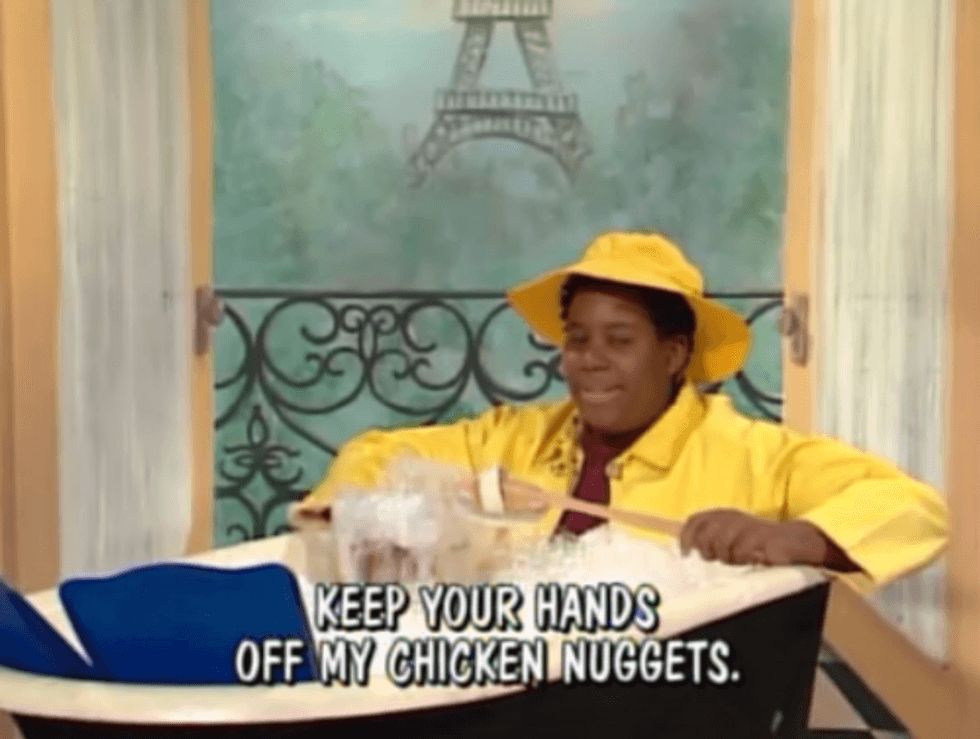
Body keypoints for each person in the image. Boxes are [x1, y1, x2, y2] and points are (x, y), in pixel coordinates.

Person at [292, 231, 948, 592]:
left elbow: (912, 506)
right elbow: (373, 452)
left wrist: (797, 537)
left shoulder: (751, 454)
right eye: (578, 338)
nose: (590, 360)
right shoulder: (515, 437)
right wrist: (367, 520)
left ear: (673, 353)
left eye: (620, 339)